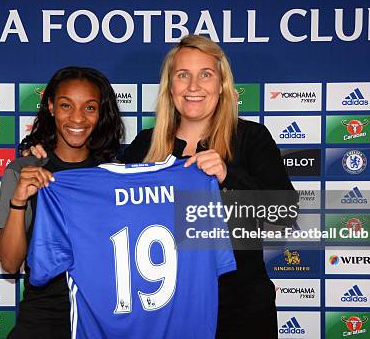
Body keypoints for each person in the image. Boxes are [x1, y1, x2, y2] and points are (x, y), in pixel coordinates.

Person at [120, 35, 295, 339]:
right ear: (170, 86)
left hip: (240, 310)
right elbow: (115, 215)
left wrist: (228, 176)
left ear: (222, 84)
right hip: (163, 308)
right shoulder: (144, 146)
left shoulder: (251, 138)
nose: (193, 86)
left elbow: (284, 213)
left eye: (205, 74)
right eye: (182, 75)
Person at [0, 66, 124, 339]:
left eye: (90, 107)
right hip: (43, 320)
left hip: (103, 319)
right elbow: (10, 261)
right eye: (66, 105)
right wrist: (18, 200)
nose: (77, 118)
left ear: (101, 113)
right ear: (51, 106)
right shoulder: (22, 170)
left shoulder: (115, 174)